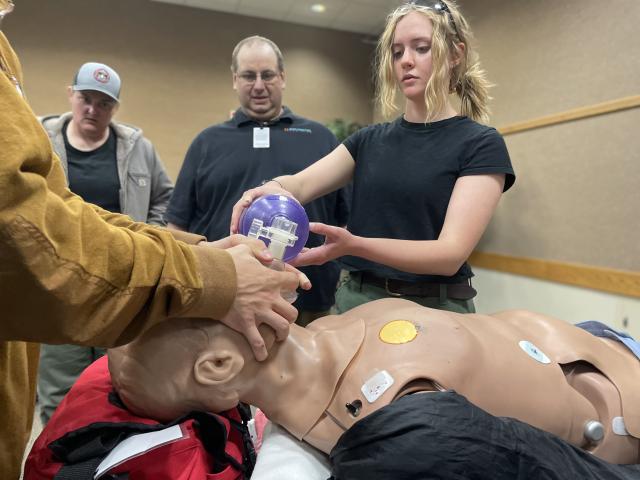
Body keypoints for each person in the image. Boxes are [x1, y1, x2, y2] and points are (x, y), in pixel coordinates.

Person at [0, 4, 307, 477]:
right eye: (249, 74)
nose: (93, 108)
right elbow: (28, 234)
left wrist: (190, 254)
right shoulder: (208, 142)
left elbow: (63, 210)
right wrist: (208, 276)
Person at [106, 298, 640, 477]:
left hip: (595, 337)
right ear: (218, 367)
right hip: (622, 401)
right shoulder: (400, 430)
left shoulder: (331, 324)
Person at [231, 0, 516, 315]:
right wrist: (268, 188)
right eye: (397, 52)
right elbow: (299, 184)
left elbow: (449, 255)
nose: (406, 61)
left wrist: (354, 245)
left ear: (455, 54)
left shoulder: (480, 144)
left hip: (437, 307)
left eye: (421, 48)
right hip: (358, 302)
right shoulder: (368, 140)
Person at [166, 35, 350, 327]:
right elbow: (177, 224)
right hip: (226, 299)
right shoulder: (207, 142)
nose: (259, 86)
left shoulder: (320, 138)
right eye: (249, 76)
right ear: (235, 80)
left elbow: (345, 221)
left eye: (267, 75)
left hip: (309, 302)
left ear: (283, 77)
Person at [37, 61, 175, 425]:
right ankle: (57, 458)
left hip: (120, 283)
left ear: (115, 108)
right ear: (71, 95)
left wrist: (148, 232)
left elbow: (164, 196)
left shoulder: (137, 147)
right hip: (60, 284)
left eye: (104, 103)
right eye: (85, 98)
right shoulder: (40, 141)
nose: (92, 110)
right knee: (59, 386)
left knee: (119, 380)